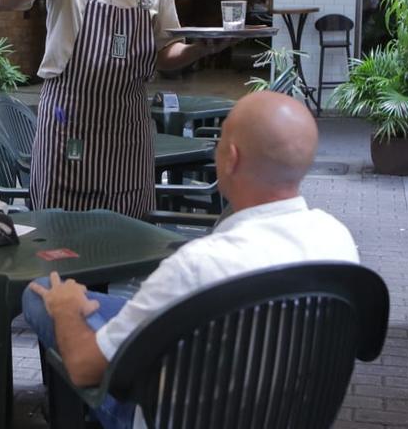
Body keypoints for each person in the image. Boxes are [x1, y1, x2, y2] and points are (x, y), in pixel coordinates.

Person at [22, 91, 359, 429]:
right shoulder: (337, 240)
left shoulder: (199, 265)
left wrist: (66, 308)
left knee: (42, 293)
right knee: (108, 309)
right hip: (284, 410)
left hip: (173, 416)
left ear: (230, 158)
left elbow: (83, 366)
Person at [0, 0, 229, 219]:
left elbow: (165, 53)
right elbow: (9, 0)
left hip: (128, 127)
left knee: (126, 236)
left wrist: (202, 47)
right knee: (59, 233)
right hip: (66, 119)